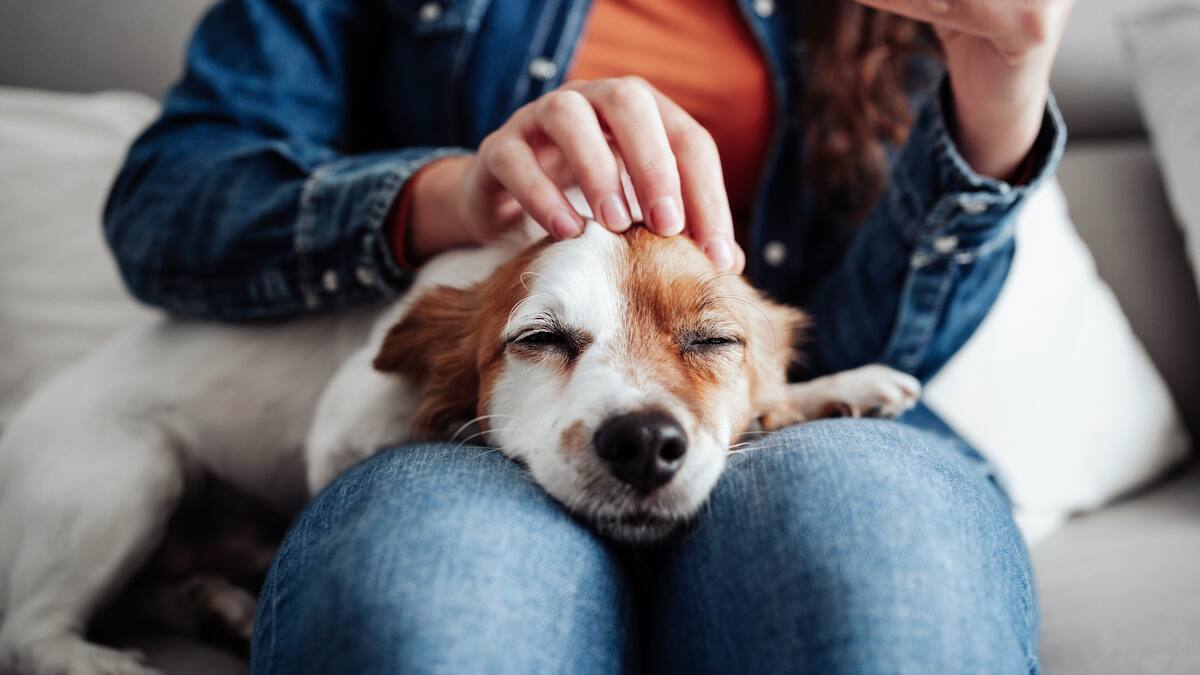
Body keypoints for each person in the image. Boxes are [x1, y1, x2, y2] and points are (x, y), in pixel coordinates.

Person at [104, 0, 1070, 671]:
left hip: (773, 430)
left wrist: (997, 108)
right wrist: (447, 194)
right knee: (433, 603)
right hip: (473, 447)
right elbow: (163, 202)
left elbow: (855, 346)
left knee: (880, 569)